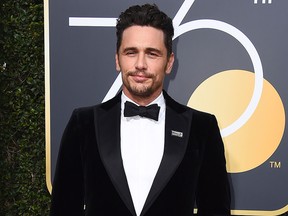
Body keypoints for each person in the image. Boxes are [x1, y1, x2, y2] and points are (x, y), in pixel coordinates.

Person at [50, 4, 231, 216]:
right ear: (118, 59)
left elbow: (215, 209)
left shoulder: (202, 128)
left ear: (169, 62)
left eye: (152, 54)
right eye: (131, 52)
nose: (140, 64)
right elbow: (64, 208)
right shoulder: (84, 123)